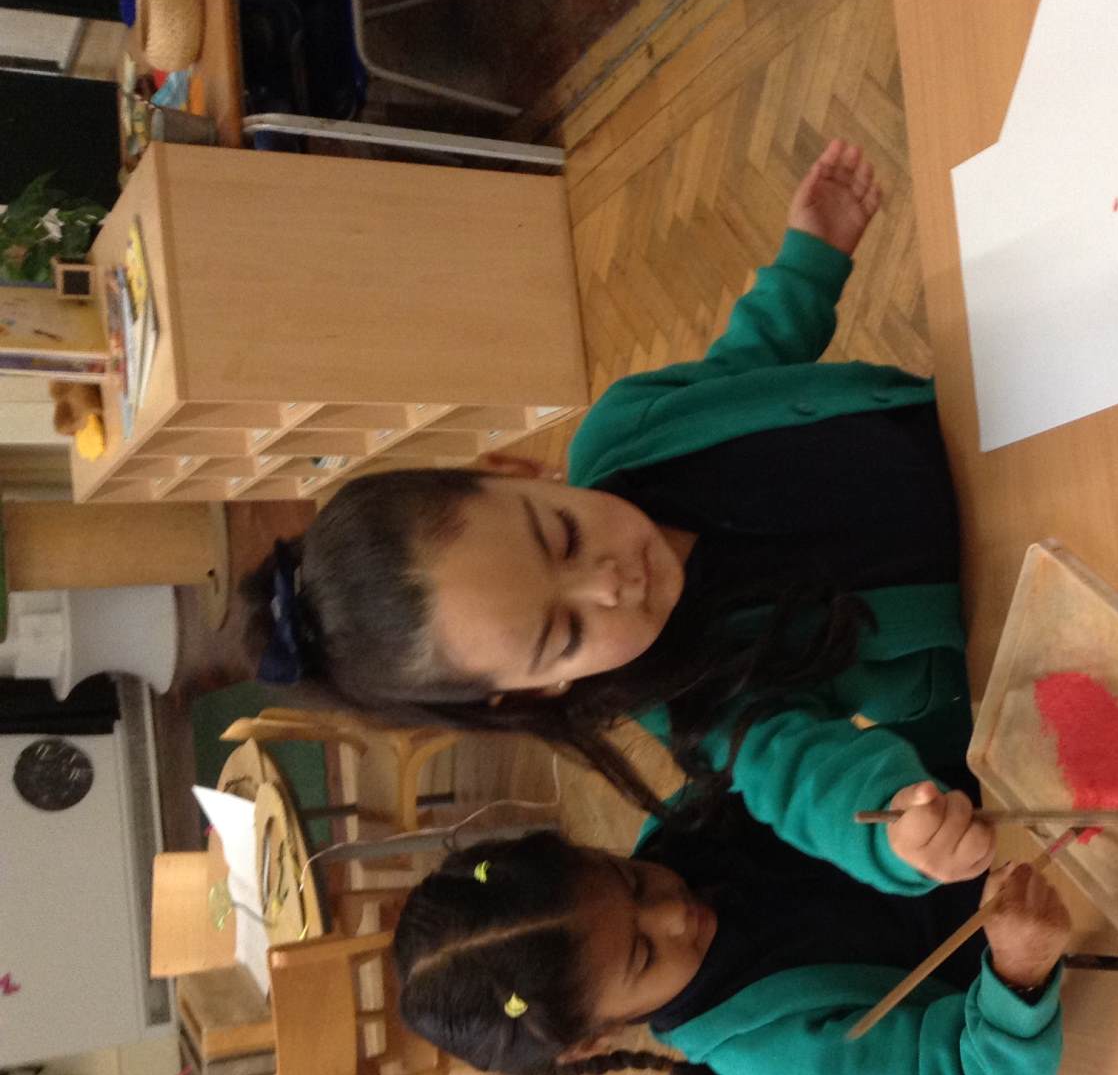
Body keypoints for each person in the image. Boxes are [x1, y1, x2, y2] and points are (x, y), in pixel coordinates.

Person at [238, 140, 990, 895]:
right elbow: (796, 777)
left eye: (562, 536)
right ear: (539, 691)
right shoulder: (694, 702)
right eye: (566, 632)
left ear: (518, 470)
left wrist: (810, 259)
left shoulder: (628, 430)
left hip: (980, 424)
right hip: (1002, 608)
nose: (610, 583)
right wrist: (890, 830)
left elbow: (743, 365)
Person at [392, 812, 1072, 1075]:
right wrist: (1018, 976)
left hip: (1036, 828)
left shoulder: (692, 830)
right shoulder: (779, 1052)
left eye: (630, 880)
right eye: (642, 954)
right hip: (1070, 968)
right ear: (594, 1040)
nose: (672, 911)